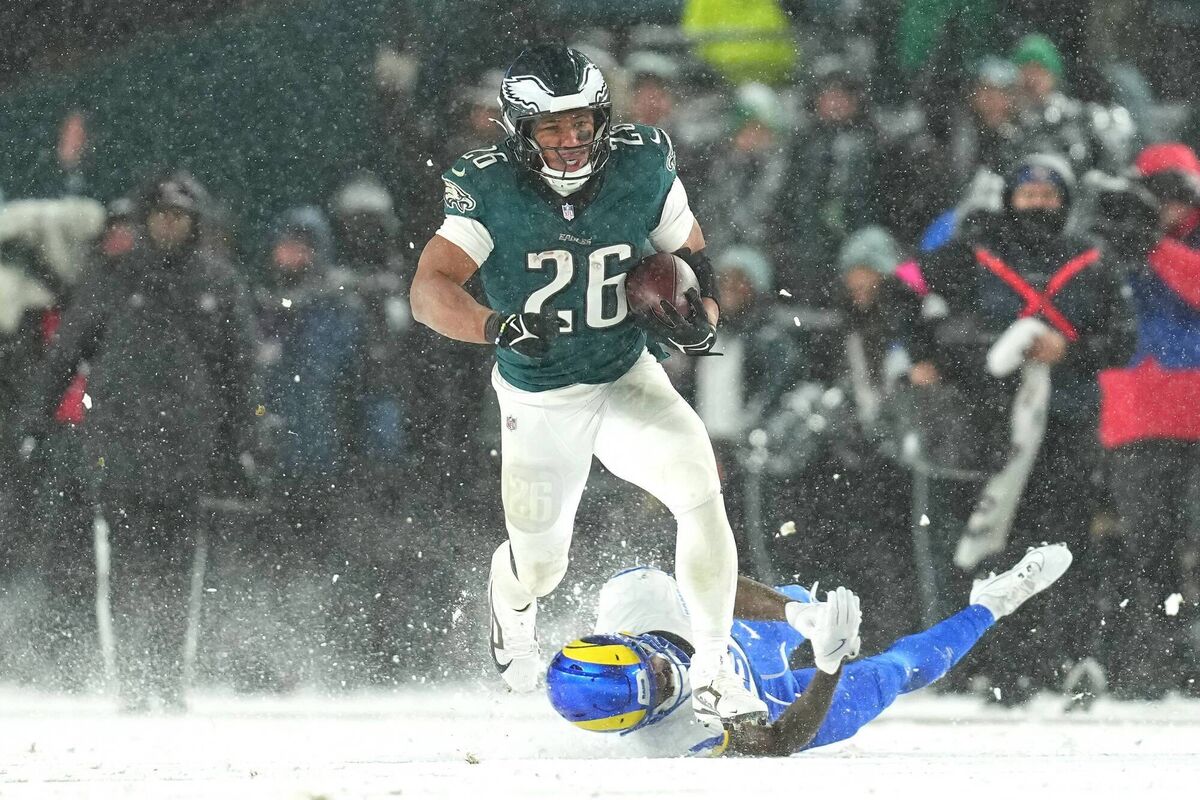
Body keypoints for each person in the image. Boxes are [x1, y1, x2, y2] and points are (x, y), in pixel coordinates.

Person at [409, 43, 764, 726]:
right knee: (542, 566)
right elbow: (430, 289)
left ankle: (716, 669)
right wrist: (496, 326)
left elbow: (693, 253)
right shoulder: (488, 184)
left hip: (624, 371)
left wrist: (702, 316)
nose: (572, 141)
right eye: (552, 127)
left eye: (582, 123)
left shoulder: (641, 161)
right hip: (540, 392)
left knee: (699, 488)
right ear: (519, 130)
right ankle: (510, 608)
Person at [19, 171, 258, 711]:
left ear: (194, 223)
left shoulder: (218, 284)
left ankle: (169, 683)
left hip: (188, 453)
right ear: (146, 220)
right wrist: (33, 421)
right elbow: (64, 357)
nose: (169, 225)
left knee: (179, 572)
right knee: (125, 568)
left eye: (179, 216)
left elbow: (243, 372)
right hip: (120, 450)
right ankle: (132, 681)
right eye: (161, 215)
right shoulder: (112, 280)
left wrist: (245, 438)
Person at [905, 152, 1124, 703]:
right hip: (989, 422)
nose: (1038, 205)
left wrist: (1069, 350)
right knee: (991, 543)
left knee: (1062, 542)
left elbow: (1123, 339)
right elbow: (903, 285)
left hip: (1067, 425)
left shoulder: (1089, 261)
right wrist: (921, 354)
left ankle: (1063, 661)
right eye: (1028, 195)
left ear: (1067, 204)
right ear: (1009, 199)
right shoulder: (978, 253)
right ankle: (995, 667)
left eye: (1050, 197)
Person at [546, 543, 1073, 756]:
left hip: (732, 641)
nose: (668, 674)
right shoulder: (678, 742)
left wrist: (795, 616)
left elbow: (715, 583)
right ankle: (994, 603)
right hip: (770, 704)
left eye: (654, 666)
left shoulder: (634, 597)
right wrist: (827, 666)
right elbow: (777, 742)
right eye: (658, 691)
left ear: (625, 640)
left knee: (802, 598)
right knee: (896, 673)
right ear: (639, 723)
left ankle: (801, 612)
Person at [1096, 143, 1200, 697]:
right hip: (1135, 416)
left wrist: (1153, 248)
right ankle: (1153, 663)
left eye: (1179, 193)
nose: (1169, 205)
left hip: (1185, 413)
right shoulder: (1114, 239)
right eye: (1157, 195)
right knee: (1147, 548)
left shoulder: (1153, 243)